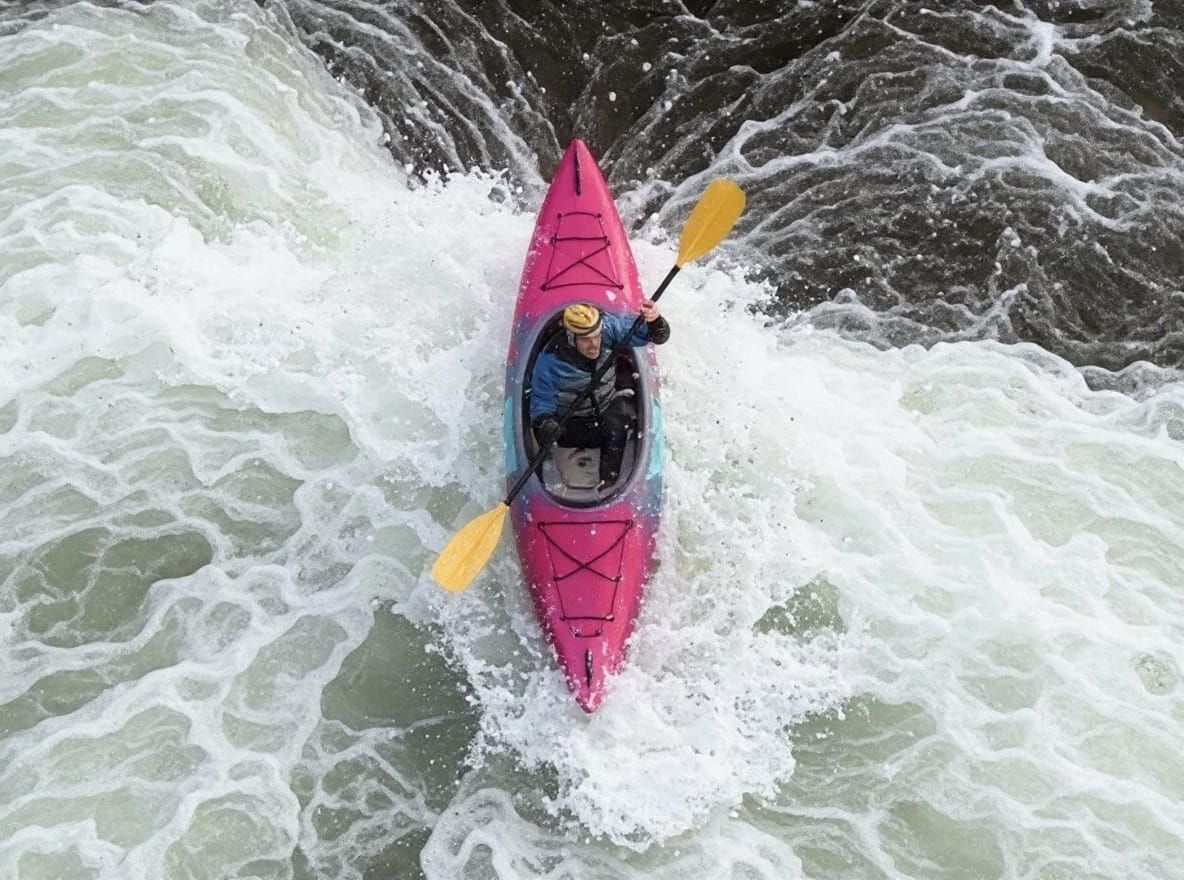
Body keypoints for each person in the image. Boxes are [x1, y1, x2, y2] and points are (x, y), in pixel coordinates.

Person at [529, 301, 670, 487]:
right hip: (571, 422)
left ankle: (608, 483)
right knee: (546, 434)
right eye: (586, 339)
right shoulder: (550, 362)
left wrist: (655, 320)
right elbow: (540, 403)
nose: (594, 345)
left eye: (596, 337)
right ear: (571, 338)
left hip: (606, 407)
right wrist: (546, 423)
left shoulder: (609, 329)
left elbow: (658, 336)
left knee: (620, 422)